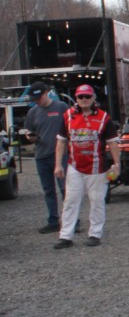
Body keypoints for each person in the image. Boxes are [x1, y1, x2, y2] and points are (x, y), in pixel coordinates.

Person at [52, 84, 120, 249]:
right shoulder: (68, 116)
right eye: (81, 97)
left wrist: (117, 164)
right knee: (70, 201)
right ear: (76, 98)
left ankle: (95, 234)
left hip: (97, 168)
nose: (84, 100)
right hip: (74, 166)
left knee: (97, 201)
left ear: (93, 98)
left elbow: (112, 143)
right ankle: (65, 236)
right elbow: (61, 141)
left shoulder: (104, 118)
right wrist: (58, 165)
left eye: (87, 97)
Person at [22, 82, 69, 234]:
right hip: (41, 155)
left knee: (65, 189)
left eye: (39, 97)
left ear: (46, 92)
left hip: (61, 155)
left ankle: (71, 220)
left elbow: (71, 126)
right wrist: (29, 137)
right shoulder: (33, 112)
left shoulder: (61, 107)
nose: (37, 100)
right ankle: (53, 220)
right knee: (48, 190)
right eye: (34, 98)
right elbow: (28, 130)